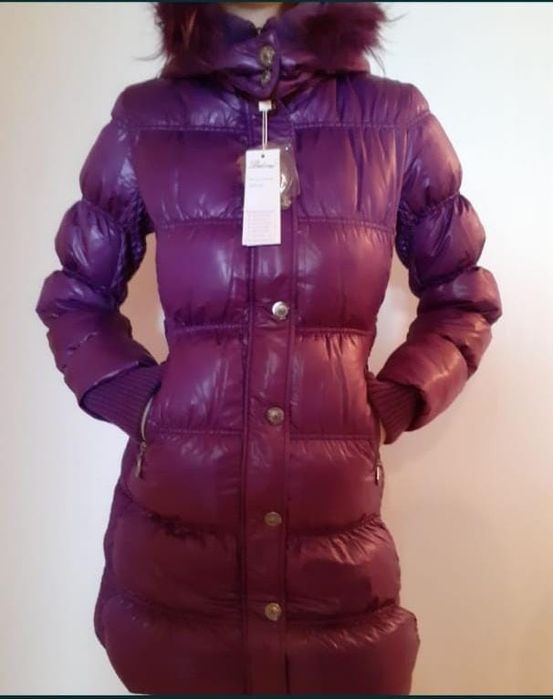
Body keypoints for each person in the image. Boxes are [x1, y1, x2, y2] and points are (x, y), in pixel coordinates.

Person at [34, 2, 503, 695]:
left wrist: (395, 399)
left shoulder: (393, 120)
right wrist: (143, 405)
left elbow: (463, 295)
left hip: (332, 543)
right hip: (177, 538)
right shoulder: (147, 120)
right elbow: (75, 299)